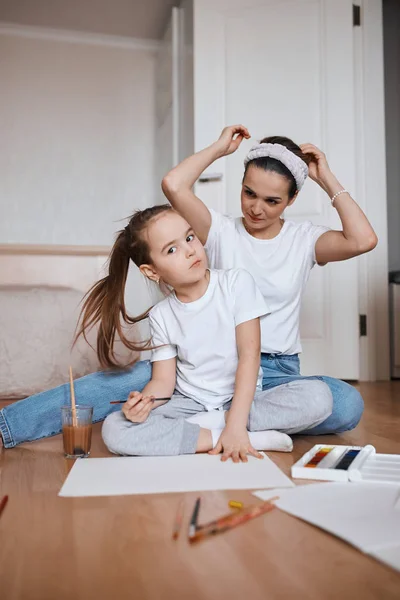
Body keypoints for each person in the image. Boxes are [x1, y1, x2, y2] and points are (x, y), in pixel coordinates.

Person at [0, 125, 375, 448]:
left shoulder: (304, 239)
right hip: (196, 361)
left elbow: (363, 240)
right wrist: (218, 149)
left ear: (292, 199)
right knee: (113, 384)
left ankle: (220, 420)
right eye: (249, 193)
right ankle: (7, 427)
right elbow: (173, 184)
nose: (256, 208)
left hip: (273, 370)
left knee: (345, 404)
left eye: (272, 200)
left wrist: (326, 178)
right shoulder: (219, 230)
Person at [79, 204, 332, 460]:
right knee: (115, 428)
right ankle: (236, 437)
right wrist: (144, 402)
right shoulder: (161, 315)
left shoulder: (237, 283)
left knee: (318, 397)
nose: (190, 250)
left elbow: (250, 356)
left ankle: (221, 425)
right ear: (151, 271)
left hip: (243, 401)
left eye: (189, 237)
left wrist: (235, 420)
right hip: (190, 404)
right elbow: (164, 382)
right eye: (172, 249)